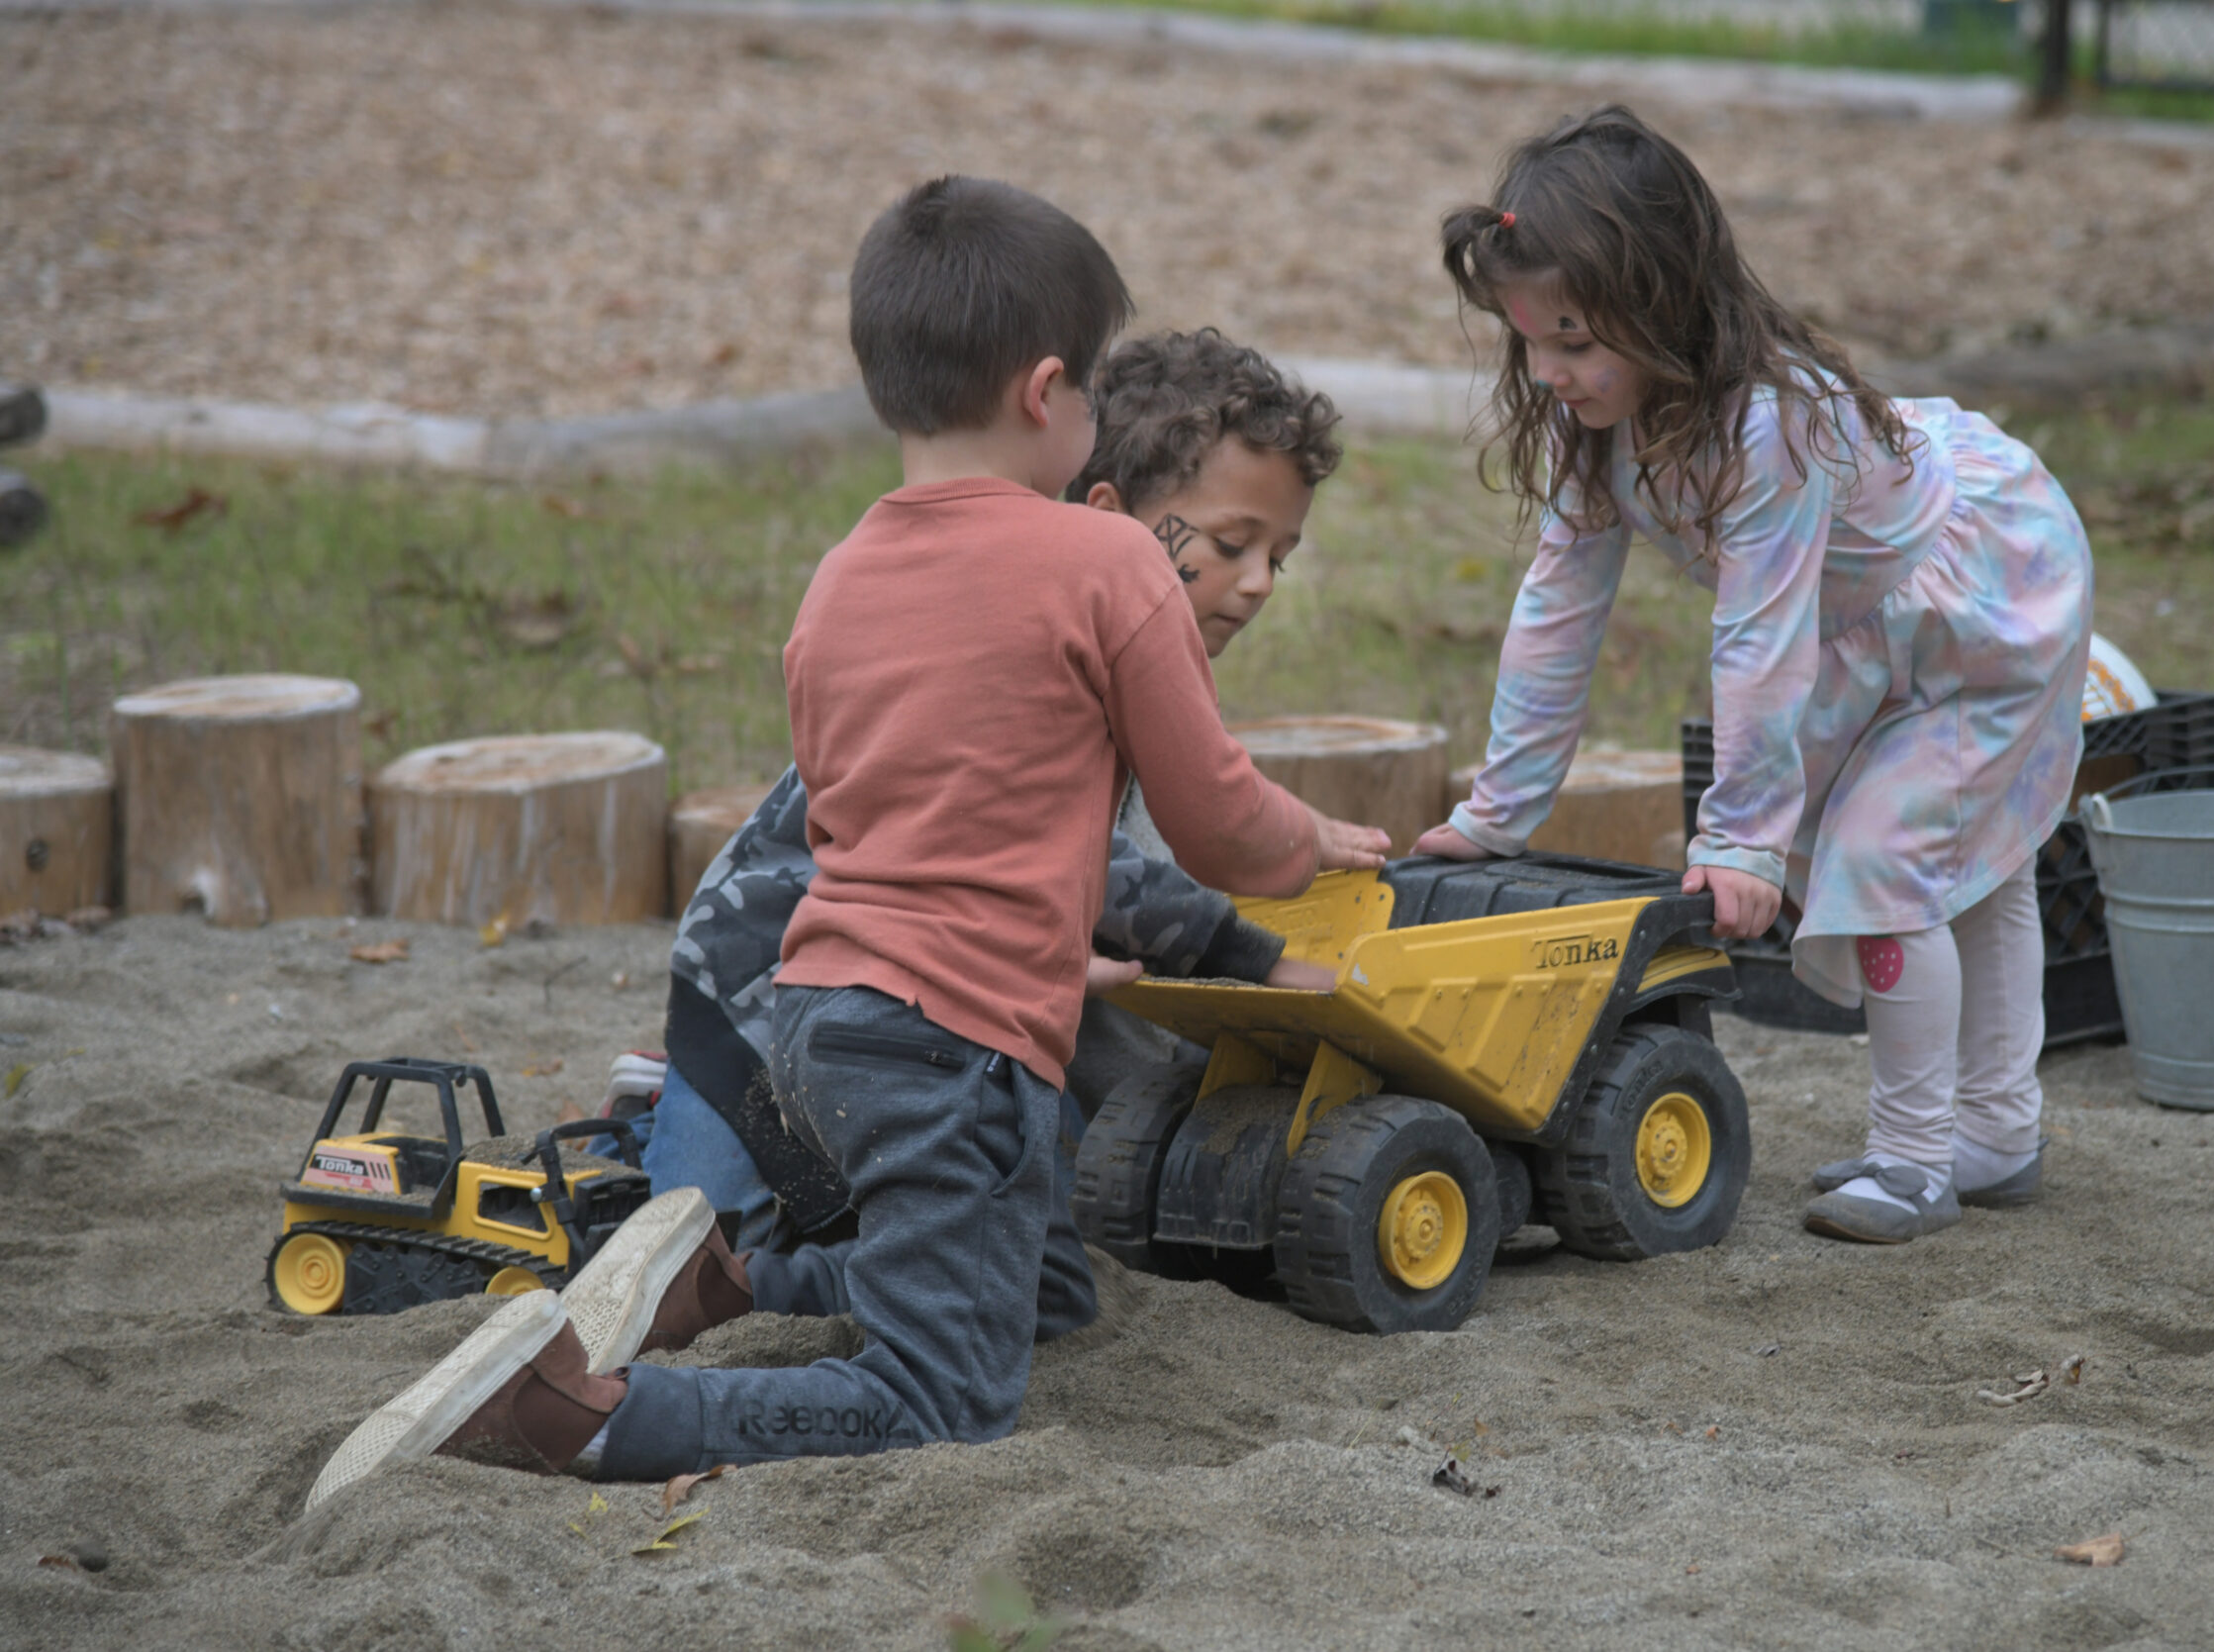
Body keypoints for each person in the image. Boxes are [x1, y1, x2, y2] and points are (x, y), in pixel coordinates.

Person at [308, 178, 1388, 1509]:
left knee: (1043, 1289)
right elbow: (1220, 821)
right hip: (957, 1051)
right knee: (947, 1398)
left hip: (815, 1024)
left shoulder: (839, 577)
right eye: (1095, 398)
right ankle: (584, 1417)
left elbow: (848, 811)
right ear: (1049, 393)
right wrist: (1307, 845)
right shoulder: (1107, 564)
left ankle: (739, 1278)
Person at [1413, 107, 2092, 1246]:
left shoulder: (1767, 428)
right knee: (1955, 868)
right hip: (1867, 632)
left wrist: (1741, 838)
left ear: (1662, 300)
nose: (1548, 371)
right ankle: (1997, 1133)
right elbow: (1557, 608)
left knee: (1892, 863)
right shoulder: (1602, 426)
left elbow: (1759, 635)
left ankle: (1923, 1156)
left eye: (1574, 342)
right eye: (1527, 341)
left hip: (1981, 606)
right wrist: (1498, 812)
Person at [628, 328, 1352, 1254]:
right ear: (1108, 518)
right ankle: (644, 1123)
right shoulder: (1027, 659)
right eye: (1231, 544)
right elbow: (1118, 873)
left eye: (1276, 559)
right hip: (760, 998)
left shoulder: (1104, 640)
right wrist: (1259, 962)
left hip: (904, 1018)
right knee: (704, 1246)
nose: (1256, 585)